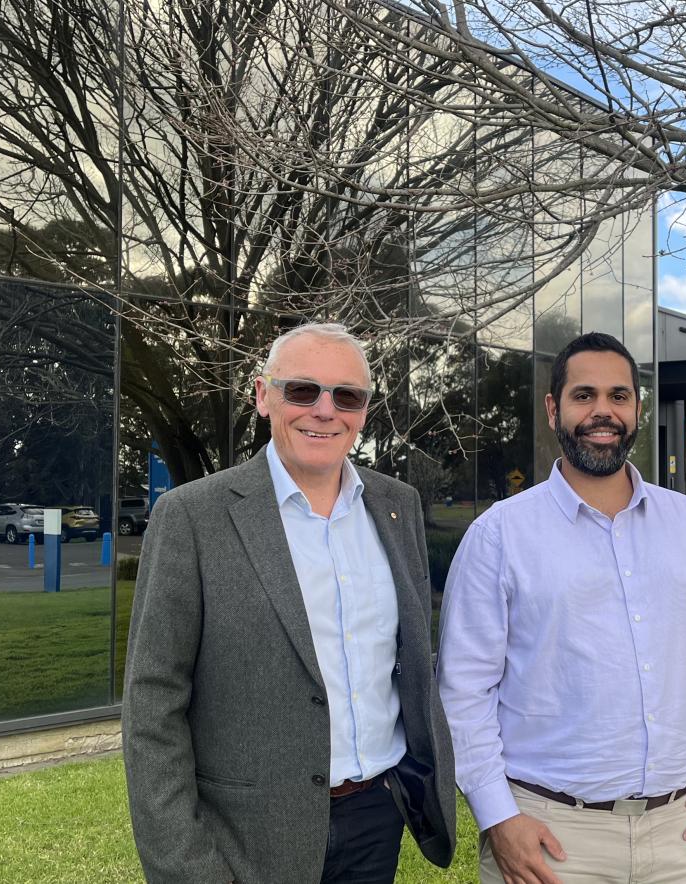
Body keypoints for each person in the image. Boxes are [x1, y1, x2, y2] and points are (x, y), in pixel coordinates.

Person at [122, 322, 456, 884]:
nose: (324, 410)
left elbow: (408, 663)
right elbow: (153, 705)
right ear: (262, 395)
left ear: (364, 411)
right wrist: (185, 864)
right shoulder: (192, 517)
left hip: (377, 815)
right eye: (302, 390)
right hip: (248, 832)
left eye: (346, 395)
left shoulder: (398, 506)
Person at [439, 332, 686, 884]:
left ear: (637, 408)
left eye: (619, 396)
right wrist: (498, 815)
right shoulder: (499, 535)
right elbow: (464, 690)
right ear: (554, 409)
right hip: (552, 838)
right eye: (584, 395)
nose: (602, 412)